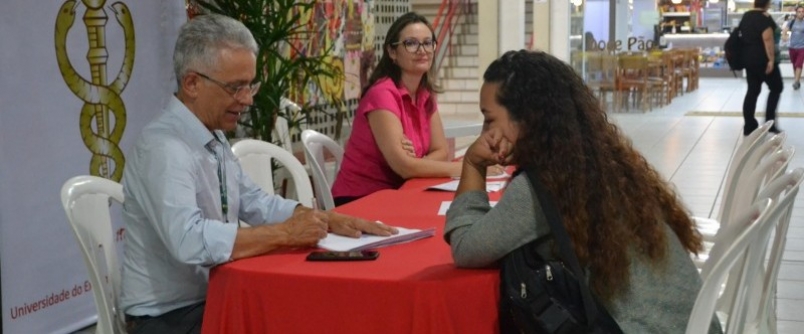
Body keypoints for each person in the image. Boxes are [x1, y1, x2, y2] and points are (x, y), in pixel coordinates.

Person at [119, 14, 396, 333]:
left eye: (250, 85)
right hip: (170, 317)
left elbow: (255, 202)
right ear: (192, 83)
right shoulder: (164, 147)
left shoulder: (211, 134)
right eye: (235, 87)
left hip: (218, 295)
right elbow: (188, 240)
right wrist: (285, 234)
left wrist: (322, 218)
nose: (248, 99)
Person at [444, 50, 722, 333]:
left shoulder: (543, 186)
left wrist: (473, 164)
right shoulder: (598, 165)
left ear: (526, 119)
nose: (484, 131)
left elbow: (466, 248)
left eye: (489, 119)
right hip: (694, 324)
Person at [331, 12, 503, 206]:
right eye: (411, 43)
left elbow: (441, 151)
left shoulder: (424, 93)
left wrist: (417, 163)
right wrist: (470, 168)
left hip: (401, 191)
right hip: (361, 199)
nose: (422, 50)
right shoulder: (382, 93)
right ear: (392, 52)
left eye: (428, 42)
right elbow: (404, 167)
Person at [740, 0, 783, 135]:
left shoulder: (746, 16)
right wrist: (771, 59)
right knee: (776, 87)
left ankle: (749, 125)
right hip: (763, 60)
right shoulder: (764, 17)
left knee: (752, 91)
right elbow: (768, 39)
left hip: (748, 60)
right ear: (767, 3)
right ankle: (770, 122)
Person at [783, 6, 804, 89]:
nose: (801, 13)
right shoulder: (791, 22)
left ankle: (796, 82)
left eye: (802, 11)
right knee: (794, 65)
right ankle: (797, 80)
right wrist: (784, 37)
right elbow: (785, 31)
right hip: (792, 47)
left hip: (802, 47)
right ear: (796, 13)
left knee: (799, 64)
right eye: (799, 11)